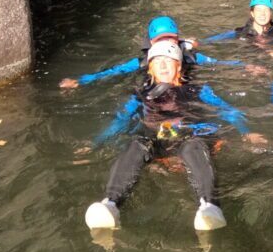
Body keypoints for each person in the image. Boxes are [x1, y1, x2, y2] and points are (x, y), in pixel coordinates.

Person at [84, 40, 263, 231]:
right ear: (150, 67)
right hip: (156, 142)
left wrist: (246, 131)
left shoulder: (198, 89)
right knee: (137, 143)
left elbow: (228, 111)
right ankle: (110, 204)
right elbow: (120, 120)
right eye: (157, 61)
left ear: (178, 65)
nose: (162, 65)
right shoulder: (140, 94)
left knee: (193, 144)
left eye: (168, 61)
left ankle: (208, 207)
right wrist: (96, 142)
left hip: (190, 138)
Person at [60, 15, 244, 89]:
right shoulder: (142, 62)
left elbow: (218, 63)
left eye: (171, 38)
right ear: (151, 42)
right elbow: (113, 71)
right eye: (160, 40)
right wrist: (82, 81)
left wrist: (244, 66)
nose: (166, 43)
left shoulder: (190, 56)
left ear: (177, 39)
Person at [202, 0, 273, 55]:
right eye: (258, 10)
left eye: (266, 10)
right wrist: (198, 42)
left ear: (271, 13)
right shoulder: (239, 33)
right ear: (252, 13)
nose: (262, 14)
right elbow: (212, 40)